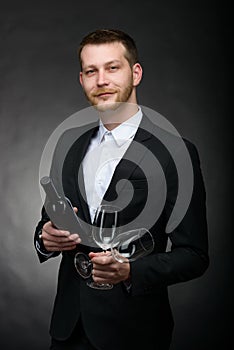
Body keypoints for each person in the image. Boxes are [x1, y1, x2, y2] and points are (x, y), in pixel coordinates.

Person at [34, 29, 209, 350]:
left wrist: (130, 271)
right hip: (68, 329)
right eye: (91, 71)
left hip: (135, 331)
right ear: (82, 79)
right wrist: (45, 238)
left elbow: (194, 255)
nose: (101, 80)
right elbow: (50, 220)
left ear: (136, 73)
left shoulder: (177, 153)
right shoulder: (67, 143)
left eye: (112, 68)